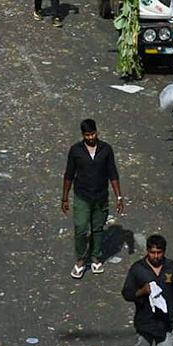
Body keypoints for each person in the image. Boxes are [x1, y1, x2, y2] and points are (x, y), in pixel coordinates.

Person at [62, 119, 123, 278]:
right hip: (82, 196)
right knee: (81, 228)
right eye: (87, 135)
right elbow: (69, 175)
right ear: (83, 135)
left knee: (97, 228)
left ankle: (96, 257)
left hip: (100, 196)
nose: (91, 137)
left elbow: (113, 174)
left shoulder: (106, 150)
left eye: (93, 134)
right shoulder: (76, 151)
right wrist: (64, 198)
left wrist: (119, 197)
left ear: (97, 132)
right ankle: (81, 260)